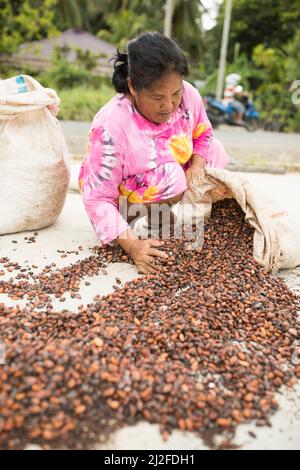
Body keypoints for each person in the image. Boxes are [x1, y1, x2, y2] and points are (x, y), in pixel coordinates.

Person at [78, 32, 229, 274]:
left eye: (175, 94)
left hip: (168, 171)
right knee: (172, 175)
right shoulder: (110, 126)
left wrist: (198, 166)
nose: (169, 106)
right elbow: (97, 199)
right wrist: (134, 246)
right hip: (124, 201)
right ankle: (149, 218)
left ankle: (164, 215)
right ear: (133, 87)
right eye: (158, 97)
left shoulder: (189, 95)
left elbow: (203, 134)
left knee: (216, 152)